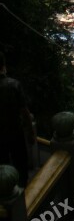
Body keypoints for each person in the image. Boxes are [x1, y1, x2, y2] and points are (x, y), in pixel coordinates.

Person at [0, 53, 35, 187]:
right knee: (21, 163)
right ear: (3, 66)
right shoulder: (13, 85)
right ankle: (24, 190)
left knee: (3, 165)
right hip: (15, 131)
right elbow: (24, 112)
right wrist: (31, 133)